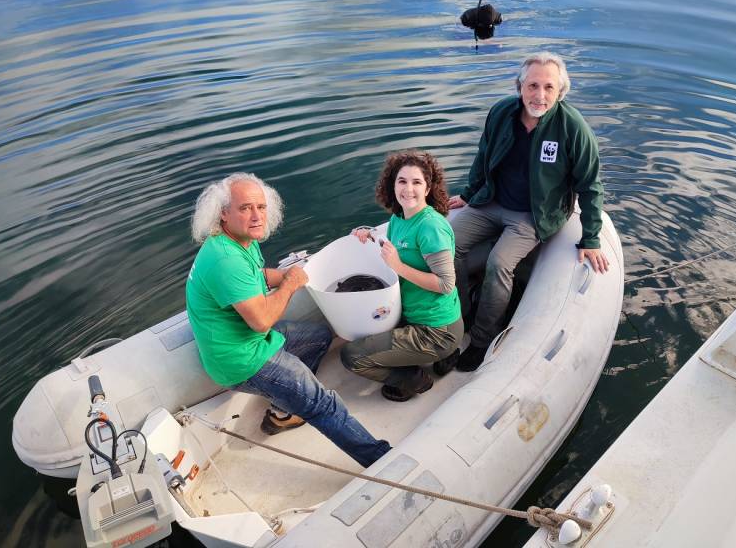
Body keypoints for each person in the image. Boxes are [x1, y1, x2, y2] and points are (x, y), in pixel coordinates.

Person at [185, 172, 390, 468]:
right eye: (245, 208)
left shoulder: (239, 241)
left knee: (319, 337)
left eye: (261, 207)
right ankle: (382, 460)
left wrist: (285, 275)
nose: (257, 216)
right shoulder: (224, 260)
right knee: (323, 403)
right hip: (243, 359)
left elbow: (255, 275)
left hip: (248, 341)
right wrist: (291, 284)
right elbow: (262, 321)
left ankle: (284, 412)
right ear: (223, 215)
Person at [449, 52, 609, 372]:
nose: (540, 95)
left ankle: (482, 339)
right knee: (446, 244)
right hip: (491, 202)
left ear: (560, 91)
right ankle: (461, 316)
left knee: (499, 262)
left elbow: (591, 185)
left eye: (549, 87)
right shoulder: (501, 113)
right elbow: (482, 157)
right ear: (520, 86)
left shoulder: (572, 127)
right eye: (533, 85)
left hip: (533, 214)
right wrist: (469, 194)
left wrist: (590, 238)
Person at [341, 152, 464, 402]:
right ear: (392, 184)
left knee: (352, 355)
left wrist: (398, 266)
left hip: (437, 330)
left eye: (416, 182)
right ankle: (444, 357)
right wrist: (369, 233)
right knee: (367, 328)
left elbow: (445, 284)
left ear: (428, 188)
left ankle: (413, 380)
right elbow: (397, 245)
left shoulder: (431, 227)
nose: (408, 189)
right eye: (402, 181)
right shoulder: (398, 218)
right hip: (413, 316)